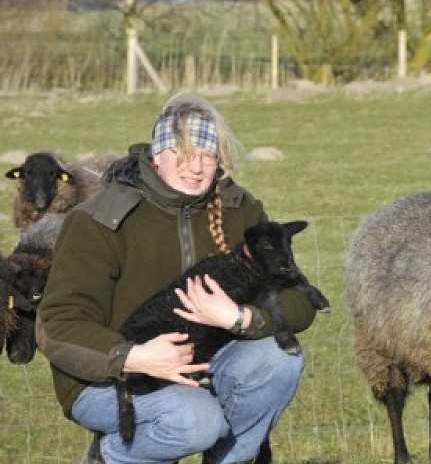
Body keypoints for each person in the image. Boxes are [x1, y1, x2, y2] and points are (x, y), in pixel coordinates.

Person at [35, 93, 317, 464]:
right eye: (182, 155)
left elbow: (300, 299)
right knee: (194, 420)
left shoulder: (240, 209)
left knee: (279, 360)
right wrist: (135, 356)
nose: (196, 168)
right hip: (110, 376)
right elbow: (57, 325)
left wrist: (239, 318)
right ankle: (111, 456)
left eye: (207, 155)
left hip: (207, 360)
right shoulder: (101, 219)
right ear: (156, 155)